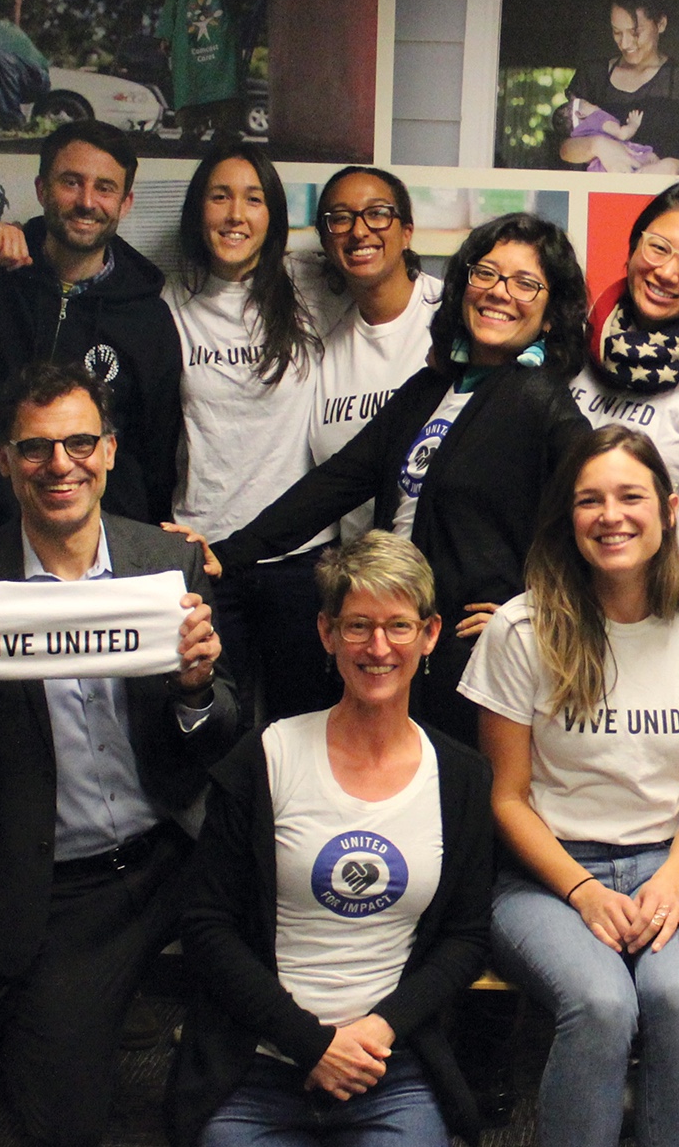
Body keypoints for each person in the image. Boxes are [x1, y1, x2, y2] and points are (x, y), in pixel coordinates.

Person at [0, 361, 241, 1147]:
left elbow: (222, 726)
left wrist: (194, 690)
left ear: (110, 451)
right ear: (5, 461)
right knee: (66, 1130)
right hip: (63, 883)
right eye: (38, 448)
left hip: (178, 848)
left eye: (80, 443)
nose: (61, 465)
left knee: (243, 1068)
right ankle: (26, 1002)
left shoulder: (168, 565)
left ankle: (173, 1028)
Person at [460, 426, 679, 1147]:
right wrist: (583, 891)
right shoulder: (522, 629)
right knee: (600, 1004)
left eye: (630, 496)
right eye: (590, 498)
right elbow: (508, 798)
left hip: (674, 864)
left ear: (667, 511)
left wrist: (668, 882)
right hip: (548, 872)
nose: (611, 515)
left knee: (674, 998)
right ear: (567, 515)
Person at [167, 531, 494, 1147]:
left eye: (398, 625)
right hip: (257, 1075)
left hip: (389, 1073)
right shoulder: (266, 757)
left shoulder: (461, 777)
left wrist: (379, 1030)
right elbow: (206, 925)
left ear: (430, 634)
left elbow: (468, 935)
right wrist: (308, 1041)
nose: (378, 646)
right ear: (327, 633)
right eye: (358, 625)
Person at [212, 212, 593, 748]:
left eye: (526, 282)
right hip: (398, 642)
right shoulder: (430, 388)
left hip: (471, 660)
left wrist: (538, 608)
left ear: (550, 315)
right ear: (463, 287)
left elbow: (602, 514)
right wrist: (229, 553)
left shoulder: (539, 398)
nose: (499, 293)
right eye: (486, 274)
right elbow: (340, 481)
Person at [0, 120, 184, 544]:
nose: (86, 202)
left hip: (99, 556)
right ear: (42, 189)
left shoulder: (147, 319)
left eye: (104, 188)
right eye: (71, 182)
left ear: (125, 203)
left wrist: (141, 552)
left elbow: (155, 460)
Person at [163, 142, 334, 722]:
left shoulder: (312, 289)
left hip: (298, 557)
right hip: (205, 555)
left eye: (253, 199)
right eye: (220, 196)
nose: (236, 214)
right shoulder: (170, 304)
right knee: (218, 730)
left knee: (305, 727)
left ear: (273, 215)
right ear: (198, 211)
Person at [570, 182, 679, 591]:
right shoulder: (579, 341)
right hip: (561, 597)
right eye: (658, 247)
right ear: (634, 245)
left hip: (650, 604)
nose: (667, 273)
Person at [308, 165, 443, 552]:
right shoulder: (321, 337)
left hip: (444, 577)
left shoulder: (452, 317)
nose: (360, 230)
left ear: (407, 232)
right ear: (325, 239)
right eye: (340, 219)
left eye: (378, 213)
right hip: (358, 581)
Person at [558, 0, 679, 175]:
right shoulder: (593, 77)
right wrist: (598, 146)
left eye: (635, 32)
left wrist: (672, 167)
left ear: (660, 24)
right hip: (601, 197)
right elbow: (565, 149)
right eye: (617, 32)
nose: (625, 43)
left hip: (666, 199)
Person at [159, 0, 246, 148]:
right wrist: (166, 36)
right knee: (188, 88)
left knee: (224, 88)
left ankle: (225, 129)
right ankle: (191, 128)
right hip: (188, 52)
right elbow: (170, 11)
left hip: (221, 51)